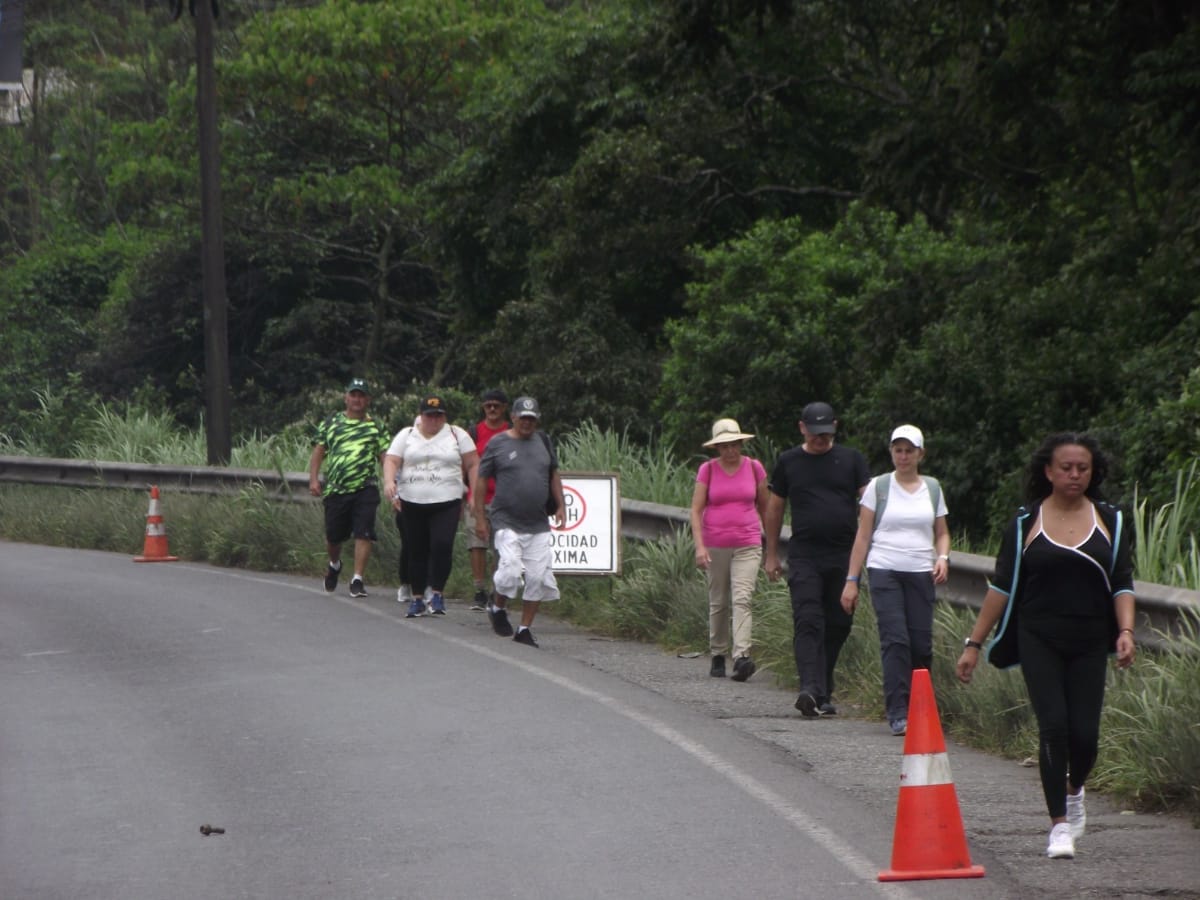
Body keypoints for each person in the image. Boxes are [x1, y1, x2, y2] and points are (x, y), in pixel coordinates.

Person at [956, 433, 1136, 860]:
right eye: (1067, 468)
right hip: (1038, 635)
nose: (1075, 475)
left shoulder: (1111, 520)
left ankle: (1075, 792)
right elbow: (1001, 586)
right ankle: (1058, 825)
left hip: (1090, 638)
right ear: (1049, 472)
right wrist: (973, 644)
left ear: (1093, 473)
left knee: (1085, 737)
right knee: (1053, 725)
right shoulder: (1024, 523)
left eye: (1083, 468)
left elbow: (1123, 583)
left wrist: (1125, 631)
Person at [841, 425, 950, 736]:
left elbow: (942, 533)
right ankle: (898, 711)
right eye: (898, 450)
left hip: (920, 571)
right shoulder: (879, 486)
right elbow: (863, 536)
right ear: (891, 452)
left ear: (920, 454)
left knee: (920, 645)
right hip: (884, 569)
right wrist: (852, 580)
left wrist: (942, 557)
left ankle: (922, 708)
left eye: (909, 451)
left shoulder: (932, 488)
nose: (903, 456)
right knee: (896, 641)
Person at [764, 401, 869, 717]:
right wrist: (771, 554)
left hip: (843, 555)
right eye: (814, 433)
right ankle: (809, 688)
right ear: (802, 428)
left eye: (825, 433)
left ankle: (822, 685)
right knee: (808, 619)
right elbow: (775, 508)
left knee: (839, 623)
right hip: (805, 555)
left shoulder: (851, 460)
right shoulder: (789, 462)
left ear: (834, 427)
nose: (819, 439)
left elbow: (869, 503)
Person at [473, 396, 565, 648]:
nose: (527, 423)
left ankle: (524, 629)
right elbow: (481, 481)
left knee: (537, 578)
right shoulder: (498, 443)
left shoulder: (544, 442)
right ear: (513, 417)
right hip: (505, 520)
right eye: (523, 418)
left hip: (537, 523)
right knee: (511, 571)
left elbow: (554, 474)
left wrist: (561, 505)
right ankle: (498, 605)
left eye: (531, 419)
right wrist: (480, 516)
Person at [383, 395, 479, 618]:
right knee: (416, 549)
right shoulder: (407, 435)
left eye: (439, 416)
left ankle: (437, 592)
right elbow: (392, 460)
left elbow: (473, 463)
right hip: (412, 500)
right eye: (430, 416)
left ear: (444, 416)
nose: (434, 420)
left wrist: (474, 494)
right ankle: (417, 598)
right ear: (421, 416)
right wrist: (389, 482)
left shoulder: (456, 434)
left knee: (442, 544)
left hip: (446, 500)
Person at [690, 418, 768, 681]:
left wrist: (772, 548)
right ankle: (718, 653)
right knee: (719, 601)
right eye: (724, 446)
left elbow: (766, 507)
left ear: (741, 444)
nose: (730, 450)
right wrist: (700, 546)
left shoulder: (755, 468)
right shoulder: (708, 470)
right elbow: (696, 509)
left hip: (748, 541)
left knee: (743, 598)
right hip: (716, 543)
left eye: (734, 444)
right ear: (717, 448)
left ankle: (742, 656)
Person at [307, 377, 391, 598]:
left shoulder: (376, 426)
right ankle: (334, 564)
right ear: (346, 398)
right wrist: (314, 479)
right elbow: (319, 451)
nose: (357, 399)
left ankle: (357, 579)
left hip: (365, 487)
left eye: (361, 396)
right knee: (334, 537)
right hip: (337, 489)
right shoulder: (332, 423)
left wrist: (390, 480)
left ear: (368, 400)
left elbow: (385, 456)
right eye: (353, 395)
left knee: (364, 532)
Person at [465, 389, 511, 610]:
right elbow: (464, 463)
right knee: (477, 545)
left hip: (505, 499)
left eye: (497, 405)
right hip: (478, 497)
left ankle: (497, 589)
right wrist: (467, 493)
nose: (492, 409)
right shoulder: (474, 432)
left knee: (501, 546)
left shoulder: (512, 432)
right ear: (483, 408)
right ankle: (479, 589)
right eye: (488, 405)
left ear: (504, 408)